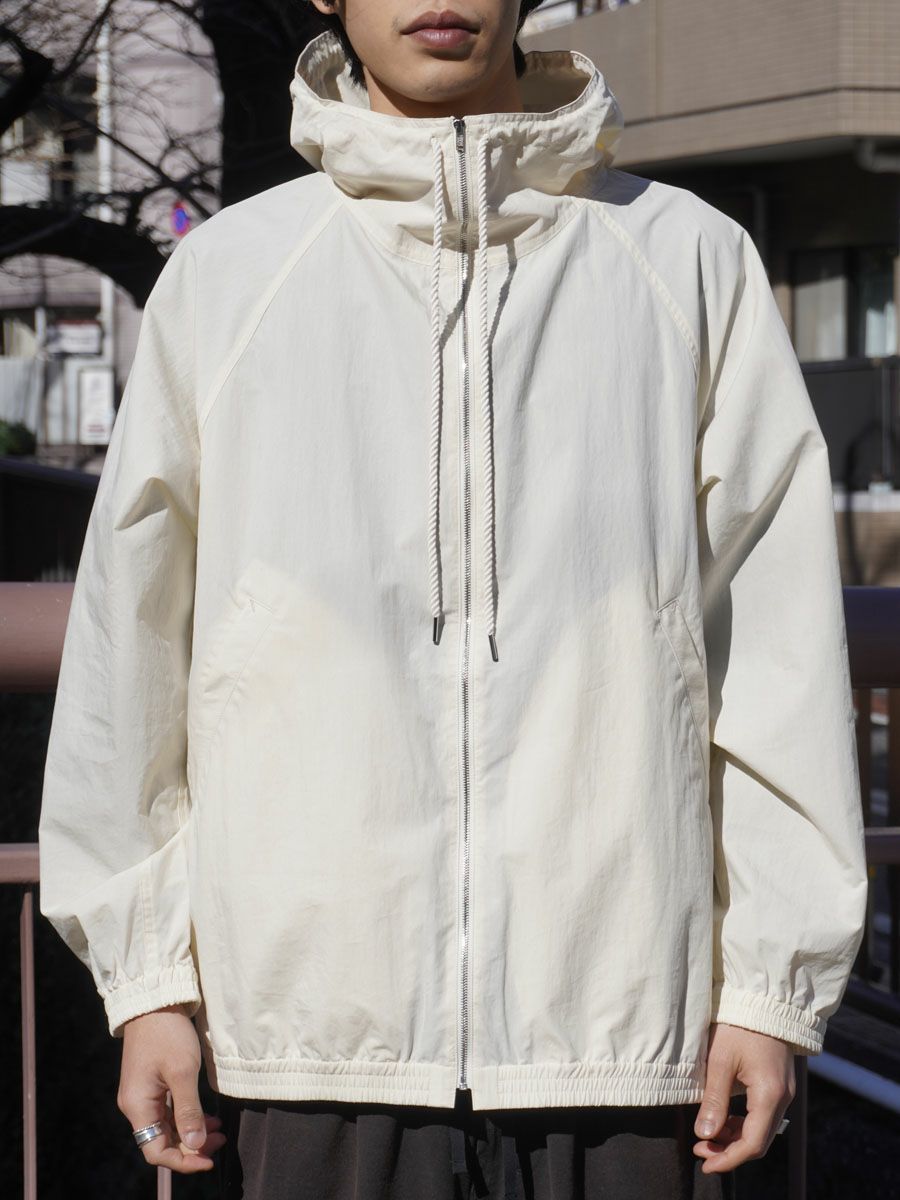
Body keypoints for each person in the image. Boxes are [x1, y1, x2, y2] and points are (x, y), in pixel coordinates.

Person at [37, 1, 869, 1197]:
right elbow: (133, 650)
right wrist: (147, 982)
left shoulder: (687, 259)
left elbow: (777, 647)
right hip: (308, 1031)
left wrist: (770, 989)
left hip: (626, 1030)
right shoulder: (230, 274)